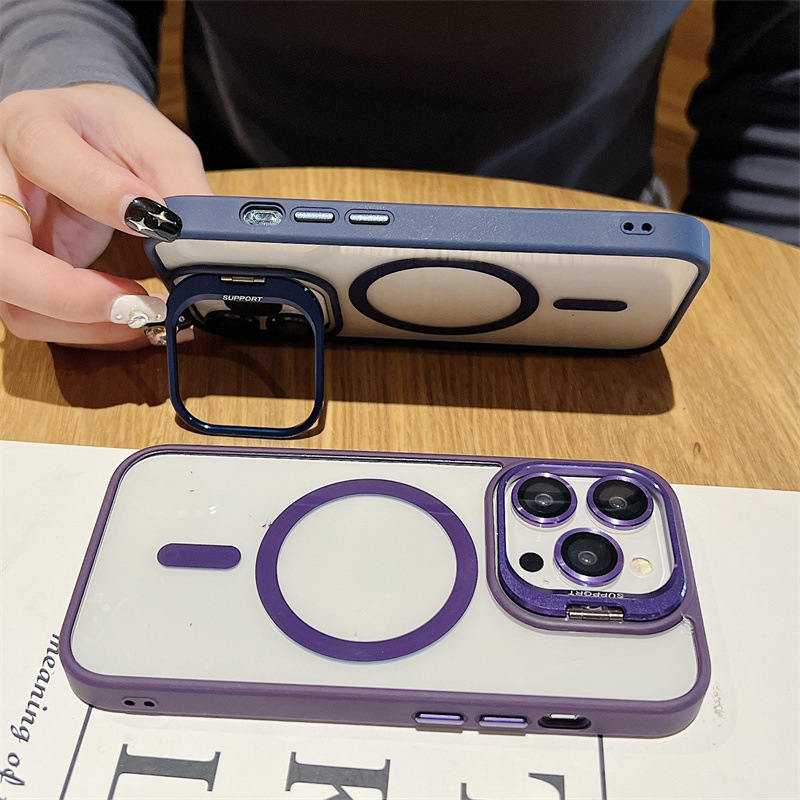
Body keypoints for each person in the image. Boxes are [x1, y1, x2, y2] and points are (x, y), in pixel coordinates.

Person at [0, 0, 797, 348]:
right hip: (222, 242)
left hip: (606, 253)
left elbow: (783, 84)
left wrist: (759, 333)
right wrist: (67, 76)